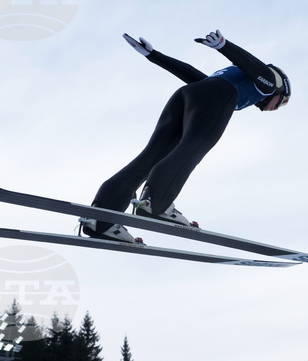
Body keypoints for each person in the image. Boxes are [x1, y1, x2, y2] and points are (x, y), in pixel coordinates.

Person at [80, 30, 291, 243]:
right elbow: (255, 66)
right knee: (191, 149)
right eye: (281, 102)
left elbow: (192, 75)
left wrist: (154, 56)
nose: (272, 109)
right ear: (281, 87)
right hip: (216, 98)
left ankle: (102, 219)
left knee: (150, 156)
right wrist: (224, 46)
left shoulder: (237, 80)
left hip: (186, 95)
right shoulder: (267, 83)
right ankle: (157, 203)